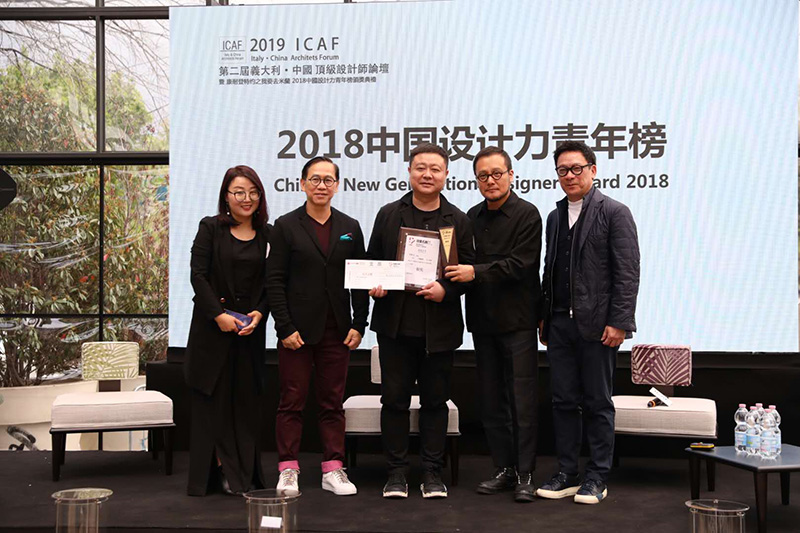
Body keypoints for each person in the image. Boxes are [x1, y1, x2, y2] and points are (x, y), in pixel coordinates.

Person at [367, 143, 475, 499]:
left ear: (446, 175)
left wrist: (447, 289)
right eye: (420, 168)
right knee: (394, 402)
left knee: (435, 403)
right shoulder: (388, 214)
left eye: (435, 169)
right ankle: (396, 473)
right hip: (395, 327)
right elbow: (373, 260)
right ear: (409, 171)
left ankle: (431, 472)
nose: (427, 174)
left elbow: (469, 273)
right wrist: (377, 285)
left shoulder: (458, 220)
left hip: (439, 329)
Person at [536, 141, 640, 504]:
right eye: (562, 170)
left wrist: (620, 321)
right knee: (563, 401)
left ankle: (597, 476)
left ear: (593, 170)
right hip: (559, 325)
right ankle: (567, 472)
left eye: (576, 168)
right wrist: (544, 317)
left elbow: (627, 273)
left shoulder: (614, 212)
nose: (570, 176)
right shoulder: (554, 217)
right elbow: (549, 270)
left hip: (598, 325)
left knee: (598, 402)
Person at [444, 146, 542, 503]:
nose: (490, 181)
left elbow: (521, 264)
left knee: (522, 400)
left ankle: (526, 473)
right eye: (483, 176)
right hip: (482, 322)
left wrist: (475, 272)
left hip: (518, 322)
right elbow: (460, 263)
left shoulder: (528, 214)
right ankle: (504, 469)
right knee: (490, 400)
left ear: (511, 175)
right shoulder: (470, 216)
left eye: (497, 174)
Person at [266, 156, 369, 496]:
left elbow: (359, 279)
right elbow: (274, 281)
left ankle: (333, 468)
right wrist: (284, 327)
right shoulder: (285, 226)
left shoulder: (350, 226)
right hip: (296, 332)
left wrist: (359, 323)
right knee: (291, 402)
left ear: (337, 185)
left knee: (332, 403)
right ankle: (288, 468)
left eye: (328, 180)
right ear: (302, 184)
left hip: (337, 331)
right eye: (315, 179)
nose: (321, 185)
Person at [184, 165, 271, 496]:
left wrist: (261, 312)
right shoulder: (210, 228)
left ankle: (244, 473)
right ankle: (219, 470)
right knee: (214, 404)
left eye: (253, 192)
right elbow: (198, 275)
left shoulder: (269, 234)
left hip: (249, 333)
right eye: (239, 192)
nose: (246, 198)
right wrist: (218, 315)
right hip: (213, 331)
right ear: (226, 196)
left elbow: (273, 282)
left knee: (245, 404)